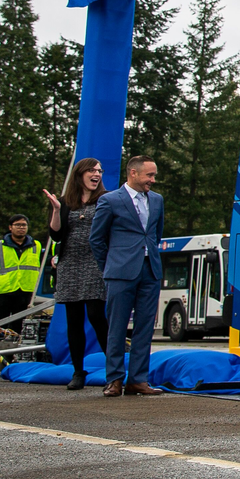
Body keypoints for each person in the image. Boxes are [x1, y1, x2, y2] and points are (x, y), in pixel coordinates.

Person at [90, 155, 166, 398]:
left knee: (144, 328)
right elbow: (97, 239)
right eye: (149, 175)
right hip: (120, 272)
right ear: (133, 173)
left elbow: (156, 234)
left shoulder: (157, 200)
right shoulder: (110, 200)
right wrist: (110, 266)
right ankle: (114, 380)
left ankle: (138, 380)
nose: (153, 180)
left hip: (150, 270)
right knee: (117, 327)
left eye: (154, 175)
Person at [43, 158, 109, 390]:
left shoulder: (105, 199)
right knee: (73, 320)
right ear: (80, 174)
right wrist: (57, 211)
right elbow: (56, 235)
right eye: (92, 170)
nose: (96, 174)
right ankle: (78, 372)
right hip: (70, 263)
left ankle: (114, 370)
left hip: (95, 263)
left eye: (99, 171)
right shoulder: (66, 202)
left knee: (96, 315)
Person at [0, 215, 44, 328]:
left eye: (24, 225)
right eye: (17, 225)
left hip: (26, 291)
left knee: (20, 325)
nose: (21, 228)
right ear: (10, 227)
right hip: (3, 292)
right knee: (1, 325)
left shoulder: (36, 245)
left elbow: (41, 263)